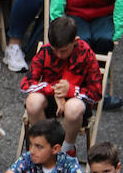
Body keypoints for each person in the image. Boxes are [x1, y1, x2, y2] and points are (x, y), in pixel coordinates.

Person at [20, 16, 103, 156]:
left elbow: (96, 94)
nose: (58, 55)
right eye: (55, 50)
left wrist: (71, 90)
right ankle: (43, 146)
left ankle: (65, 150)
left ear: (75, 41)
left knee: (73, 108)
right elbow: (25, 84)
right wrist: (54, 90)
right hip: (50, 101)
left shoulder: (86, 53)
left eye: (64, 50)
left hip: (77, 103)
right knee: (33, 102)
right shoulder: (46, 51)